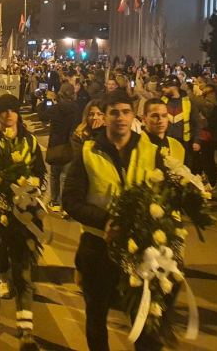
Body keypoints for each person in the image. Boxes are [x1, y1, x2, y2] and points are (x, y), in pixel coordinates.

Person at [62, 90, 161, 351]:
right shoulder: (88, 152)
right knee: (96, 315)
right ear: (104, 117)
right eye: (114, 112)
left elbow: (166, 197)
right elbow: (71, 200)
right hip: (98, 246)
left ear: (133, 115)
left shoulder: (150, 150)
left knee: (144, 317)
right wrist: (106, 220)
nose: (120, 118)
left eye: (126, 112)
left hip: (141, 248)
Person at [0, 93, 45, 350]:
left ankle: (25, 326)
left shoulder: (30, 142)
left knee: (23, 269)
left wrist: (31, 191)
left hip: (23, 216)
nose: (8, 114)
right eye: (3, 110)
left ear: (18, 114)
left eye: (12, 110)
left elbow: (40, 172)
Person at [40, 83, 80, 211]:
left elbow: (42, 116)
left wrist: (41, 104)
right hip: (70, 144)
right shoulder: (76, 108)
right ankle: (65, 206)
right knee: (65, 177)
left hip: (56, 144)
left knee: (54, 175)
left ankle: (54, 202)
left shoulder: (56, 108)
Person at [160, 75, 201, 163]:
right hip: (166, 143)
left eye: (166, 87)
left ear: (174, 88)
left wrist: (196, 141)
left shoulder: (188, 102)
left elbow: (196, 123)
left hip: (184, 144)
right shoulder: (162, 101)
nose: (163, 89)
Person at [141, 98, 186, 163]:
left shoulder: (177, 146)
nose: (160, 120)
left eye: (164, 116)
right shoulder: (137, 144)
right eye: (155, 116)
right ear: (144, 118)